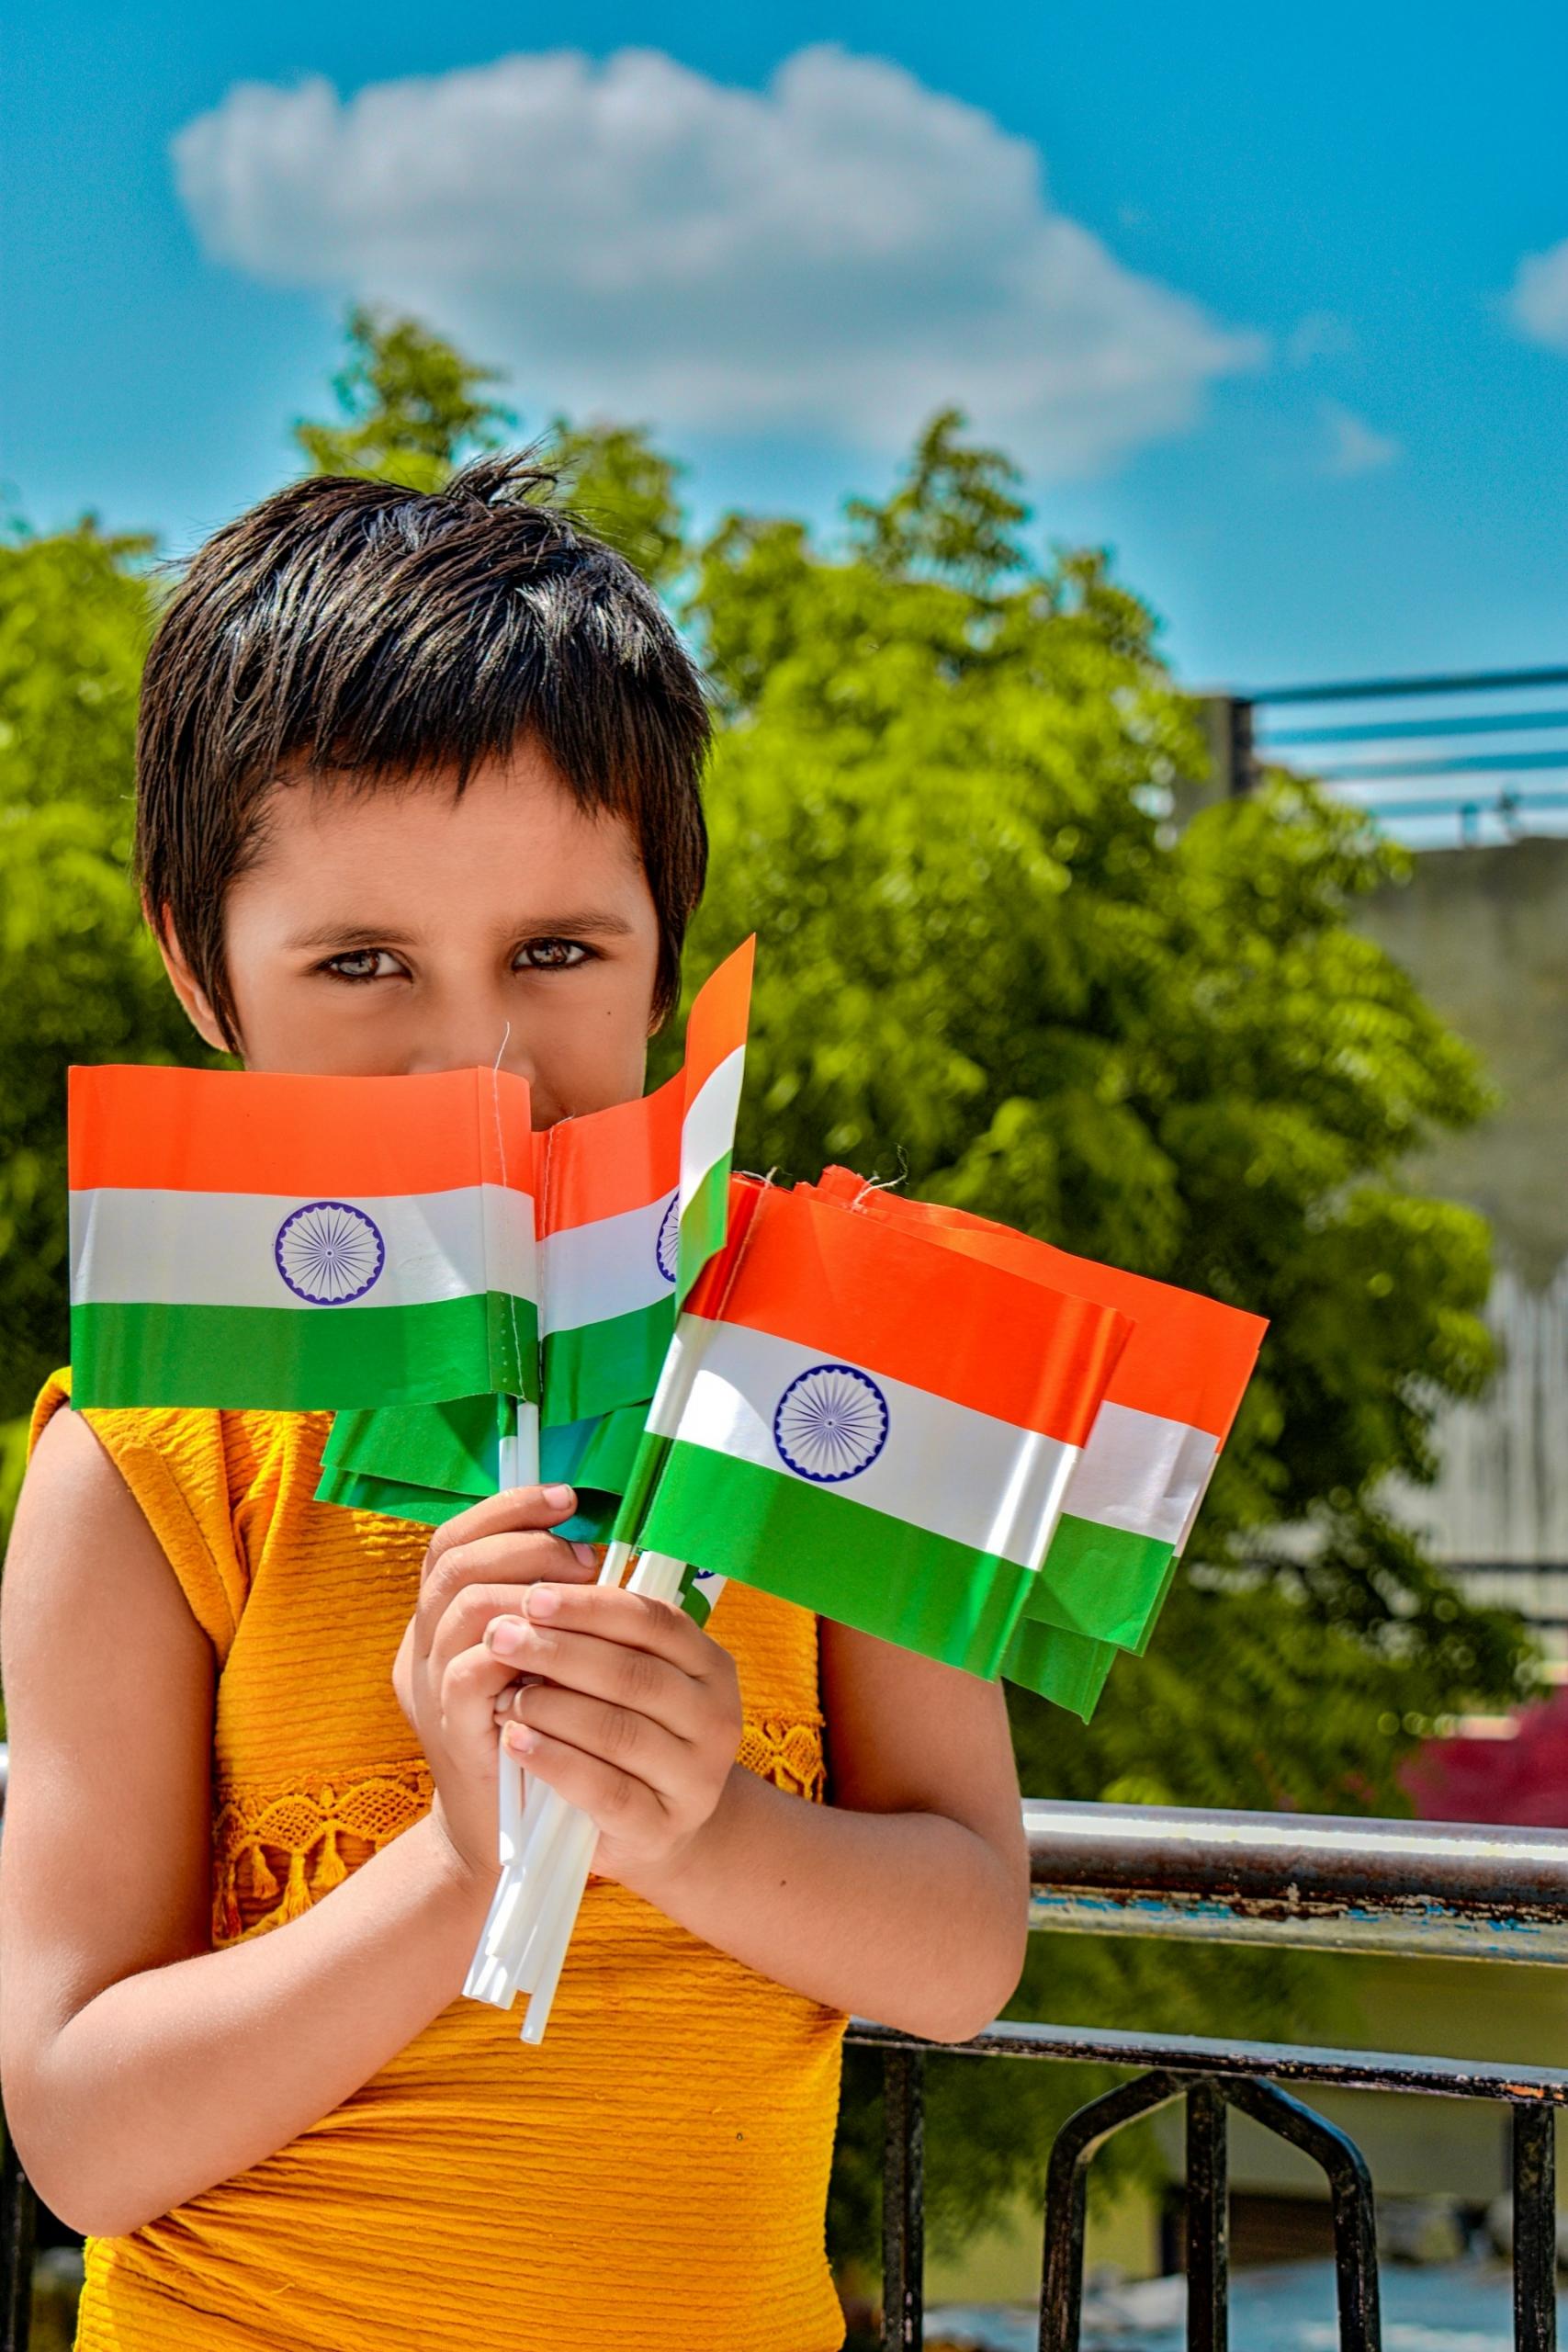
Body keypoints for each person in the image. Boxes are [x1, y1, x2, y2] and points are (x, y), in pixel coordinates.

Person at [0, 456, 1030, 2352]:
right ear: (195, 963)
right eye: (360, 961)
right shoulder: (139, 1460)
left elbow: (963, 1943)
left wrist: (696, 1821)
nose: (474, 1059)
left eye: (557, 951)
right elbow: (79, 2127)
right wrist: (460, 1855)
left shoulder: (815, 1373)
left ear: (666, 943)